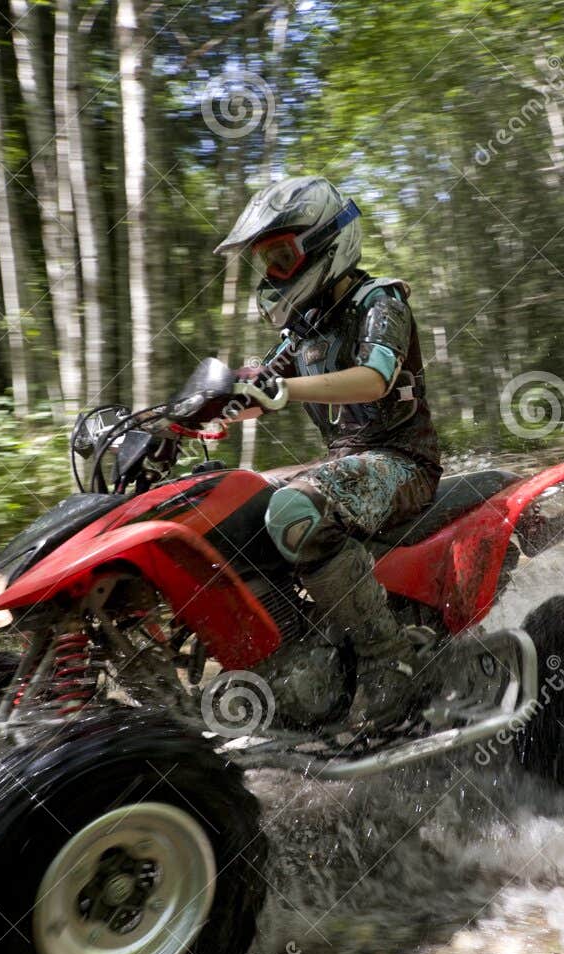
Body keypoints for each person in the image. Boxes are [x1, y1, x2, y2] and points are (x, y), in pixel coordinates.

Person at [215, 175, 441, 725]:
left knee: (295, 508)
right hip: (347, 464)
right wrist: (204, 413)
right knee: (230, 504)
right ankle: (294, 652)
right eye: (264, 260)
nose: (271, 273)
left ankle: (390, 658)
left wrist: (284, 390)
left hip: (403, 461)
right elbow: (259, 389)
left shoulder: (378, 300)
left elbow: (373, 379)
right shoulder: (302, 328)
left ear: (325, 242)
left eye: (281, 255)